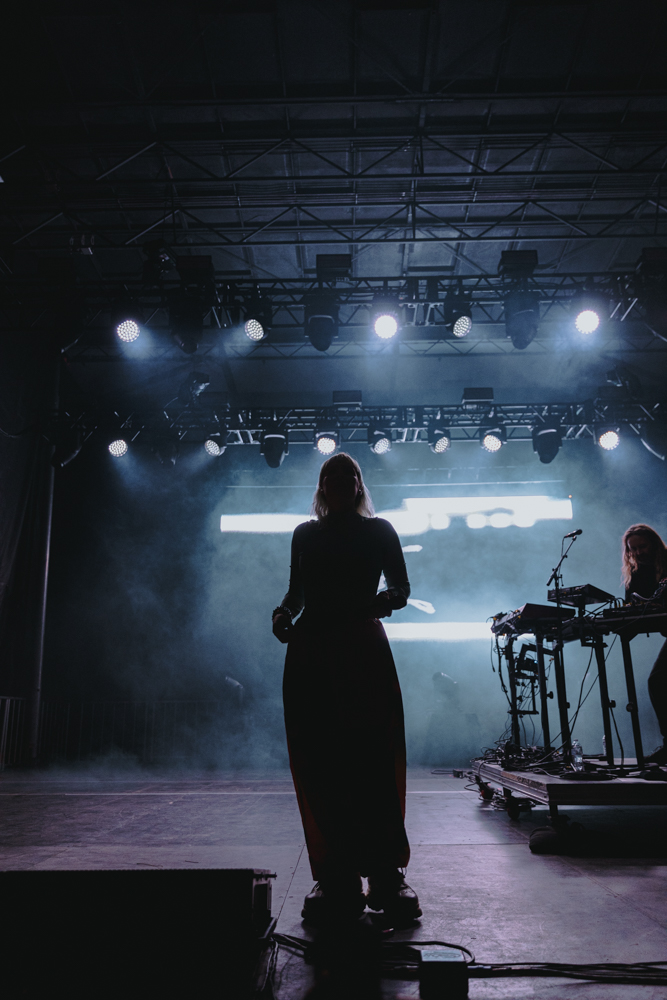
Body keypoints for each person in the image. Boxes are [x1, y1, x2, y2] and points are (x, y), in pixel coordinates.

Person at [272, 452, 421, 923]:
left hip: (359, 648)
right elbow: (296, 593)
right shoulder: (304, 534)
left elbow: (401, 586)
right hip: (315, 652)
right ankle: (335, 874)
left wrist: (384, 600)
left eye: (347, 473)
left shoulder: (380, 531)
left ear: (359, 484)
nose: (338, 479)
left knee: (372, 756)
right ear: (321, 487)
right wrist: (282, 613)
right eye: (330, 474)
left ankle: (384, 872)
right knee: (321, 759)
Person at [622, 523, 667, 765]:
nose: (638, 553)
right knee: (658, 681)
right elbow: (631, 611)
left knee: (658, 680)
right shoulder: (637, 574)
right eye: (633, 549)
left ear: (654, 544)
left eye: (643, 546)